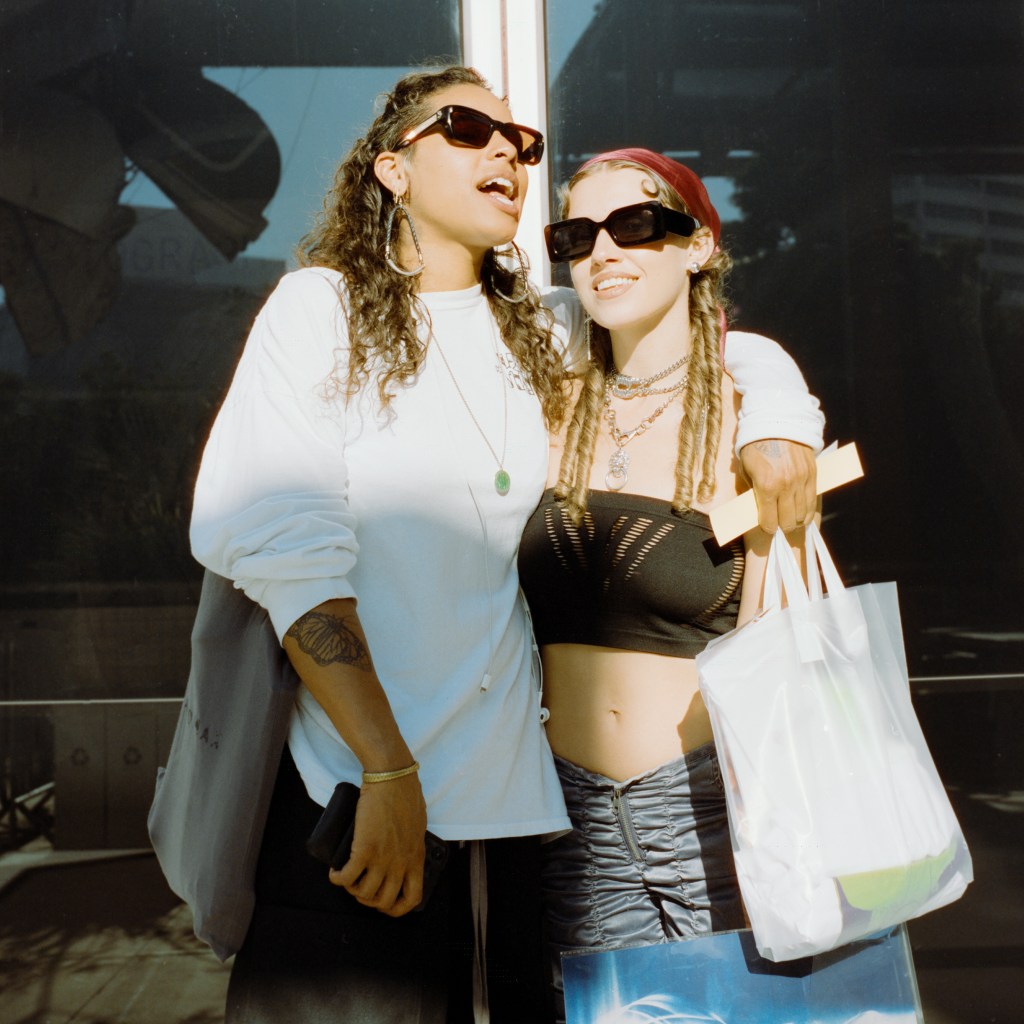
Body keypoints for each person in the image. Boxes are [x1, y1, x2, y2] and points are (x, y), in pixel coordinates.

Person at [188, 62, 824, 1023]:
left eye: (520, 142)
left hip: (518, 822)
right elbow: (285, 553)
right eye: (466, 129)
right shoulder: (322, 309)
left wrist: (777, 409)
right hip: (358, 800)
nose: (506, 151)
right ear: (393, 169)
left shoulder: (540, 330)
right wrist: (386, 770)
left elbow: (690, 333)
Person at [517, 148, 818, 1022]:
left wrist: (768, 382)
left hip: (713, 809)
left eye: (636, 224)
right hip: (570, 816)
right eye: (577, 236)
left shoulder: (752, 419)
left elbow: (786, 626)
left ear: (698, 247)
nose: (604, 251)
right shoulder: (547, 405)